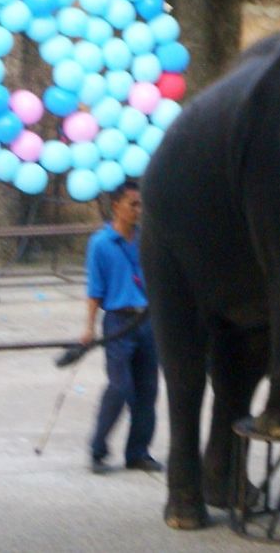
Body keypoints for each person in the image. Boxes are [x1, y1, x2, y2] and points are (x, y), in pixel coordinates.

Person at [81, 180, 162, 474]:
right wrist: (89, 327)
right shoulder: (101, 243)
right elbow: (94, 290)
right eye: (133, 204)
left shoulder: (146, 240)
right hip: (118, 322)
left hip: (147, 321)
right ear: (116, 206)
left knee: (147, 390)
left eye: (141, 205)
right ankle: (98, 448)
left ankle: (138, 452)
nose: (138, 210)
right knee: (120, 387)